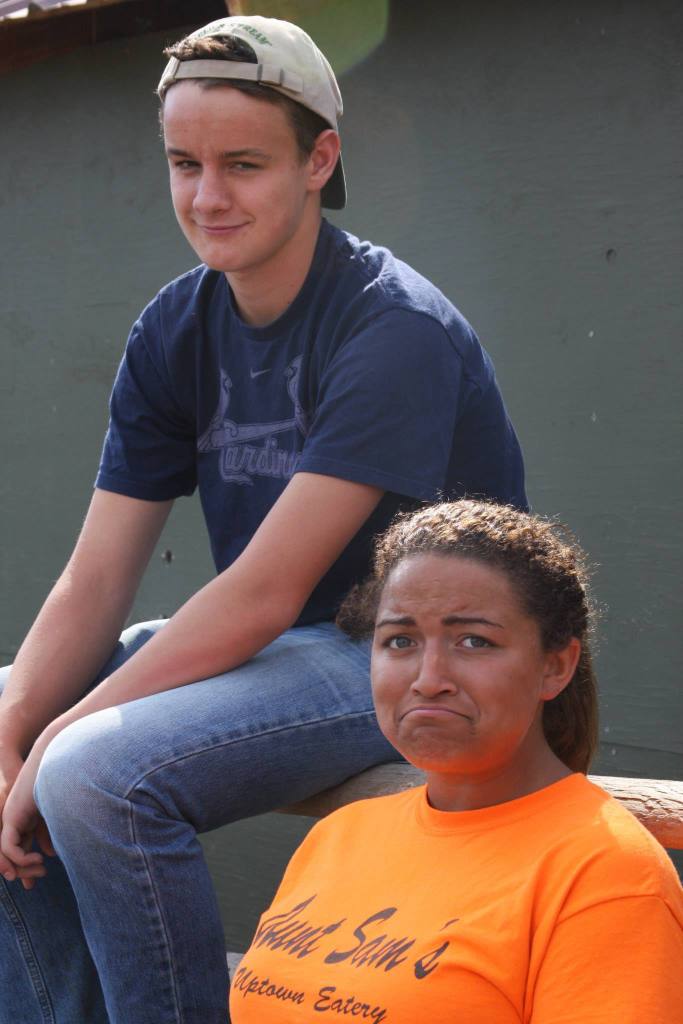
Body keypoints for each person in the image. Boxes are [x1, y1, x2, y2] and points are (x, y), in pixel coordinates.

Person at [0, 15, 527, 1024]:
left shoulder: (392, 326)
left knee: (93, 773)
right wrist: (15, 728)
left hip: (407, 651)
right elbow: (95, 577)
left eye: (242, 165)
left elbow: (262, 592)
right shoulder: (174, 328)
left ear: (317, 161)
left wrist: (57, 736)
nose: (207, 197)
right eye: (183, 164)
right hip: (284, 647)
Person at [230, 499, 683, 1023]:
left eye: (474, 641)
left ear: (555, 667)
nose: (429, 679)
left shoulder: (607, 875)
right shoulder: (340, 835)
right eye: (400, 640)